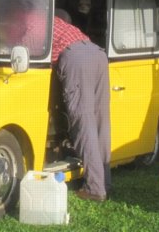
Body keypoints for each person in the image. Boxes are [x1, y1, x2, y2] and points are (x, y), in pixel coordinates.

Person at [52, 13, 111, 202]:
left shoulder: (31, 24)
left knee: (83, 121)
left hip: (77, 59)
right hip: (97, 53)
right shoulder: (61, 25)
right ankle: (104, 181)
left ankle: (95, 189)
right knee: (100, 120)